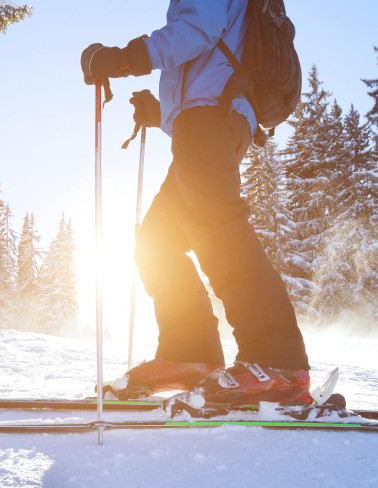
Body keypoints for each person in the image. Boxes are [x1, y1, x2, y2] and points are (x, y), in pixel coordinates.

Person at [80, 0, 310, 406]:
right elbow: (210, 58)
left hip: (211, 119)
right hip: (207, 120)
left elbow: (195, 32)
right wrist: (161, 112)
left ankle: (277, 363)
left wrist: (122, 60)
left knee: (217, 229)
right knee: (157, 241)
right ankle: (191, 354)